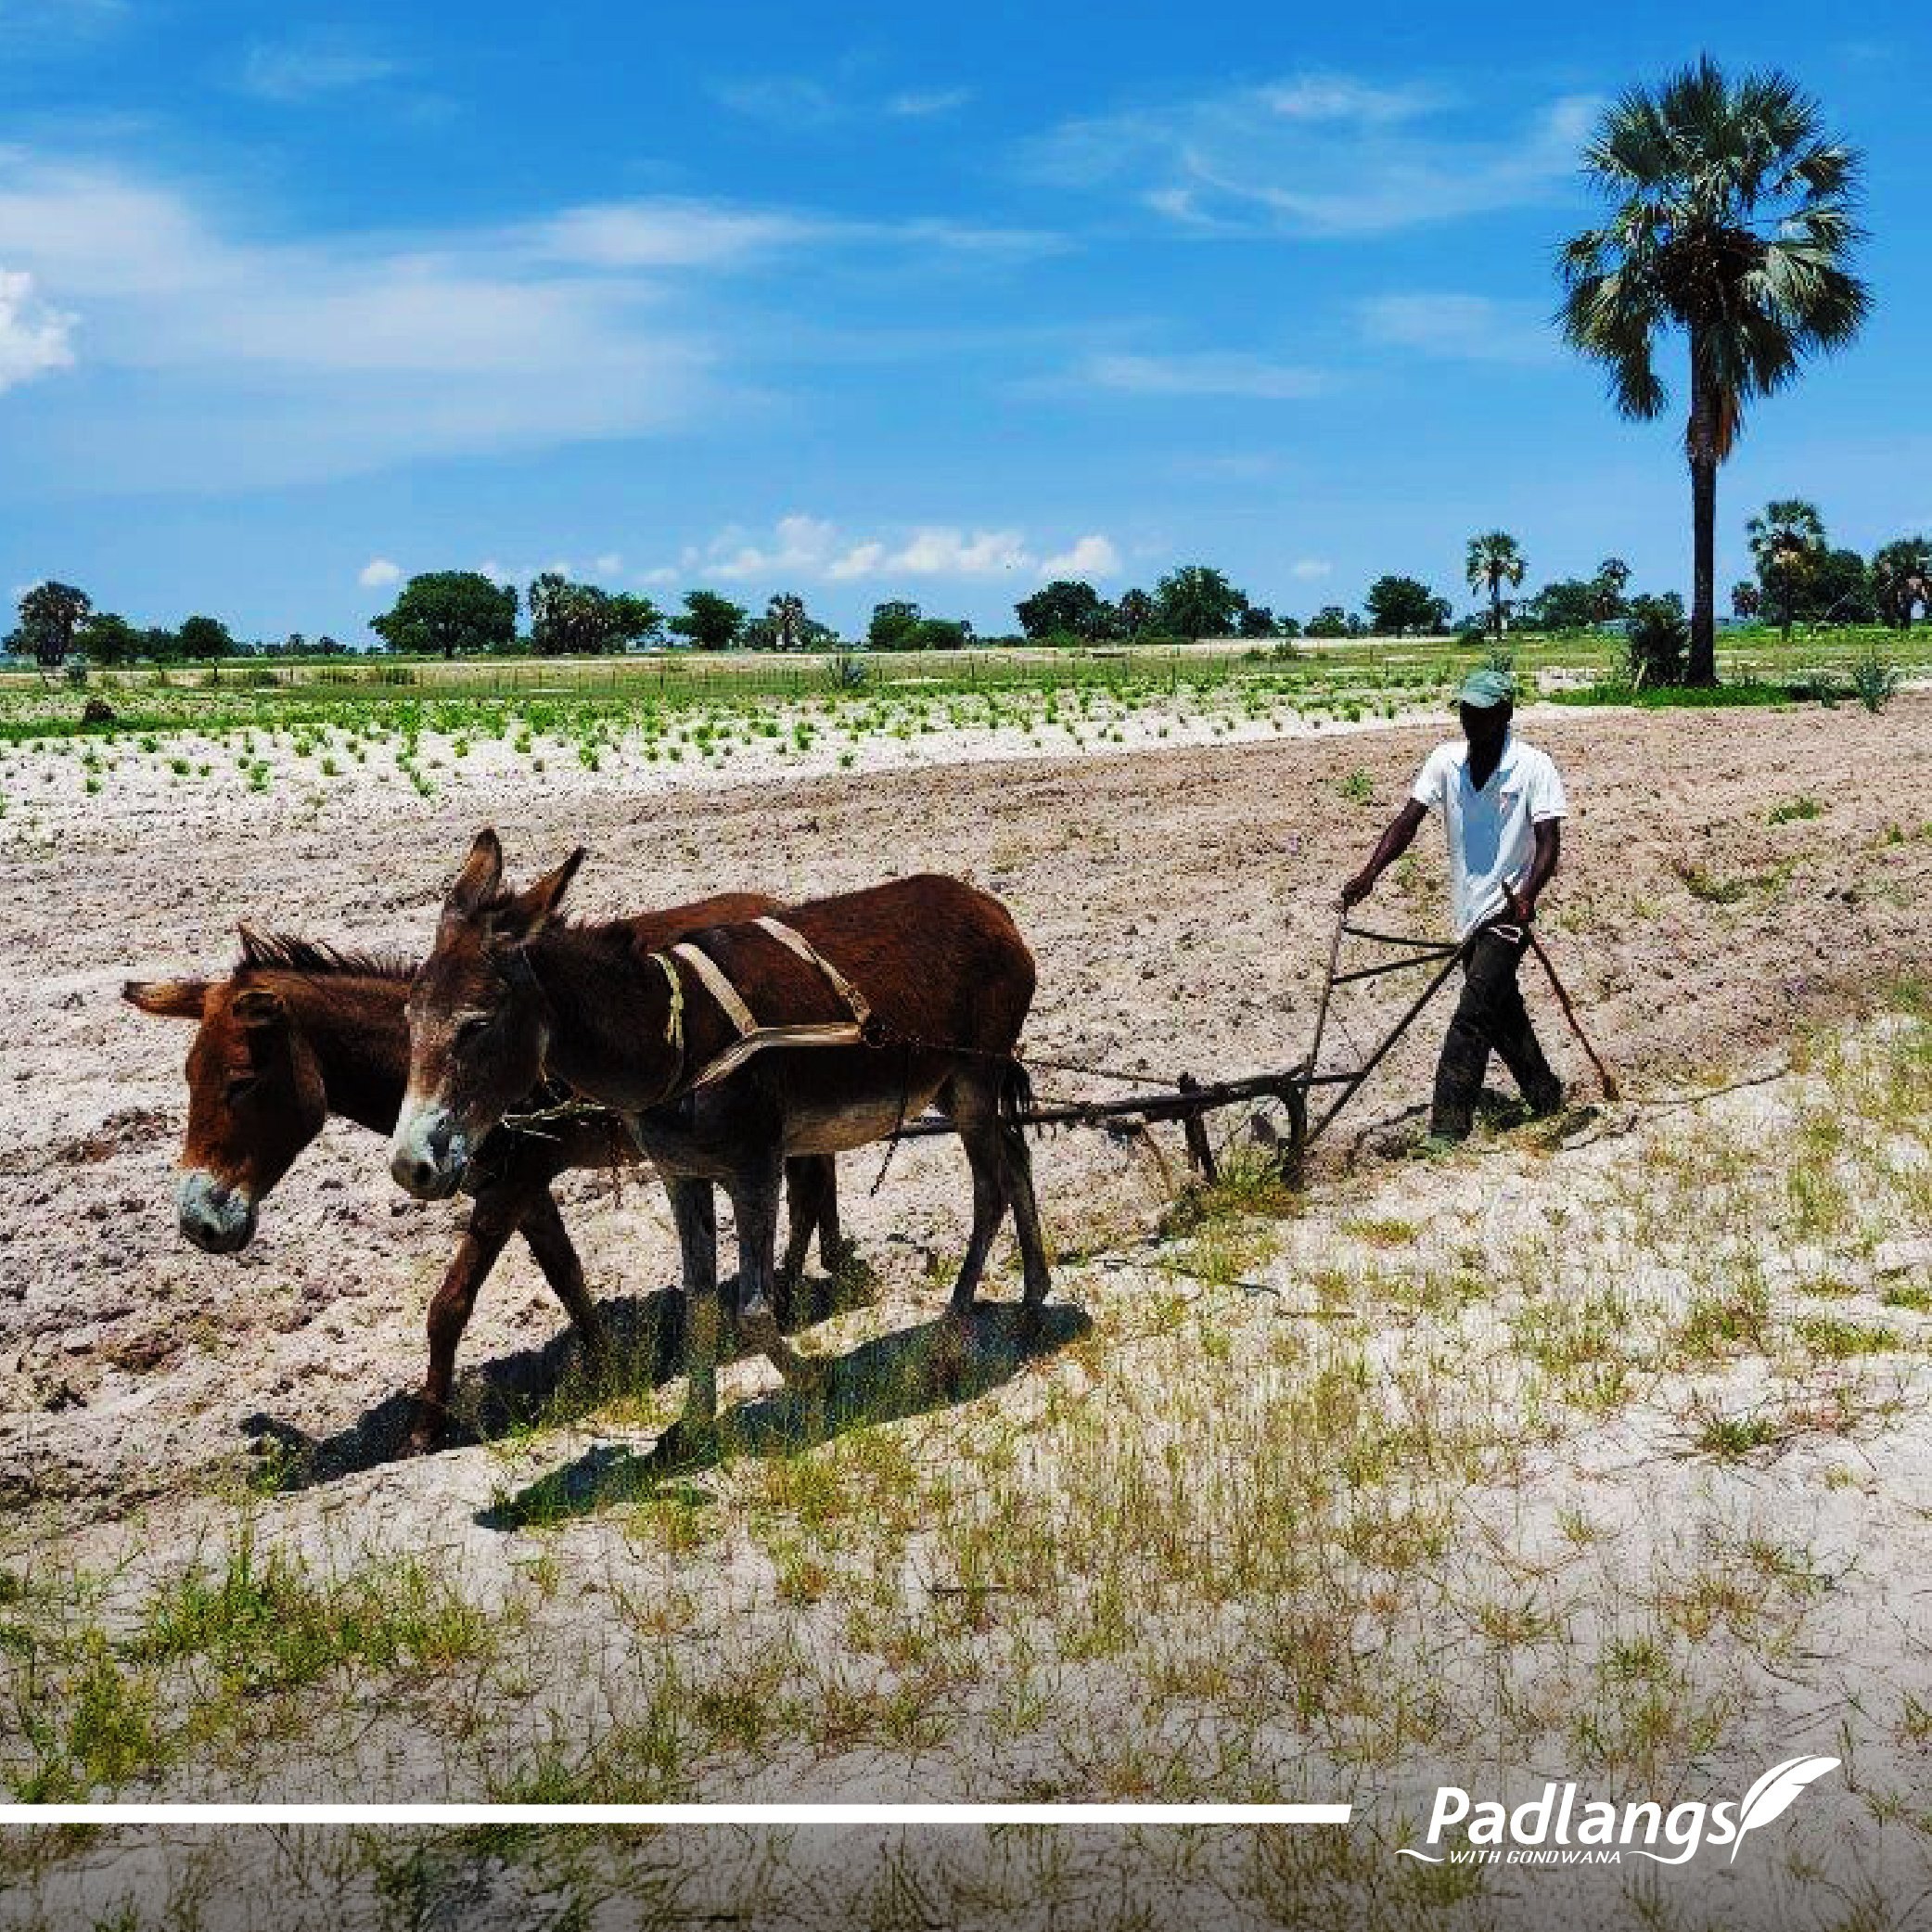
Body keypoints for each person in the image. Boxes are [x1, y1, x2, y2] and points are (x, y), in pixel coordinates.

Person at [1340, 668, 1567, 1144]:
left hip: (1507, 914)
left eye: (1480, 712)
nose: (1469, 721)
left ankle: (1446, 1130)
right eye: (1465, 710)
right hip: (1467, 912)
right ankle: (1546, 1095)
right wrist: (1368, 874)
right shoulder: (1445, 762)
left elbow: (1549, 842)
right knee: (1502, 1012)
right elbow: (1407, 824)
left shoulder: (1533, 767)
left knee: (1471, 1017)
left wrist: (1528, 895)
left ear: (1504, 714)